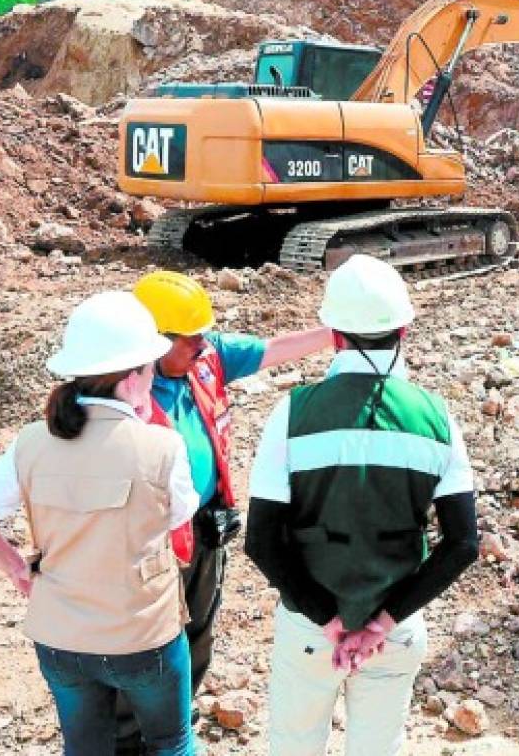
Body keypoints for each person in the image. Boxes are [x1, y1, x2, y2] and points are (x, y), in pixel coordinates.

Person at [0, 291, 200, 756]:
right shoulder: (161, 446)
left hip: (60, 637)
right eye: (148, 369)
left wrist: (16, 569)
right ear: (131, 379)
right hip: (143, 635)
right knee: (172, 742)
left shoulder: (31, 442)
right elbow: (182, 514)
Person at [245, 254, 479, 756]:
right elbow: (462, 544)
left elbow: (260, 540)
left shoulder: (291, 415)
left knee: (294, 746)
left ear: (332, 334)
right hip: (394, 628)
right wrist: (384, 622)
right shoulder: (437, 418)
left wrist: (327, 618)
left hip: (310, 627)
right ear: (405, 330)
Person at [113, 270, 332, 753]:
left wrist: (337, 331)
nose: (203, 342)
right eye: (191, 336)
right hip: (144, 536)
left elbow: (272, 350)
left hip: (203, 526)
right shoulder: (116, 389)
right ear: (153, 341)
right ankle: (130, 736)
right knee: (143, 638)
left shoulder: (205, 358)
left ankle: (175, 717)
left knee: (198, 625)